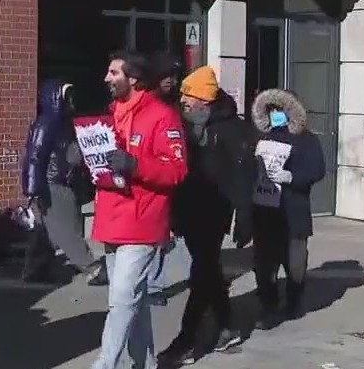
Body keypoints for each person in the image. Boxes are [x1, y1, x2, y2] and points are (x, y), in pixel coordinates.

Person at [89, 51, 188, 369]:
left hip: (143, 219)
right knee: (133, 299)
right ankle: (144, 363)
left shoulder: (162, 115)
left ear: (133, 79)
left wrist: (135, 164)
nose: (107, 78)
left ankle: (105, 363)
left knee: (121, 297)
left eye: (113, 72)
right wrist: (82, 159)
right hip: (112, 217)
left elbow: (177, 169)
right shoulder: (110, 114)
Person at [158, 67, 257, 367]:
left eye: (190, 96)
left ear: (206, 100)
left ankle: (187, 340)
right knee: (209, 269)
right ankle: (226, 324)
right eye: (183, 96)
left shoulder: (232, 130)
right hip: (188, 209)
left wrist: (245, 217)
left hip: (216, 211)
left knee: (202, 271)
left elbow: (243, 178)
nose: (184, 101)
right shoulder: (182, 125)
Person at [250, 88, 326, 330]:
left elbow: (317, 170)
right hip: (264, 212)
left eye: (280, 111)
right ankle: (269, 306)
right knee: (264, 265)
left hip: (293, 212)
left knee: (295, 264)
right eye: (271, 111)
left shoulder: (306, 140)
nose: (275, 116)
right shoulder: (260, 137)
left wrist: (292, 176)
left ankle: (293, 301)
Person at [19, 80, 102, 284]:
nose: (72, 101)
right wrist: (33, 187)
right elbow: (35, 156)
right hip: (53, 183)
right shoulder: (48, 123)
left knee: (44, 230)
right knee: (67, 229)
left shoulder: (63, 123)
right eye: (68, 97)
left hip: (54, 181)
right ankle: (91, 267)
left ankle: (35, 268)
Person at [145, 52, 191, 304]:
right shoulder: (147, 105)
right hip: (152, 176)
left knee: (168, 235)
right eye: (166, 76)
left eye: (174, 77)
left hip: (175, 175)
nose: (171, 81)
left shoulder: (177, 105)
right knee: (156, 236)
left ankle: (155, 282)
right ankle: (151, 285)